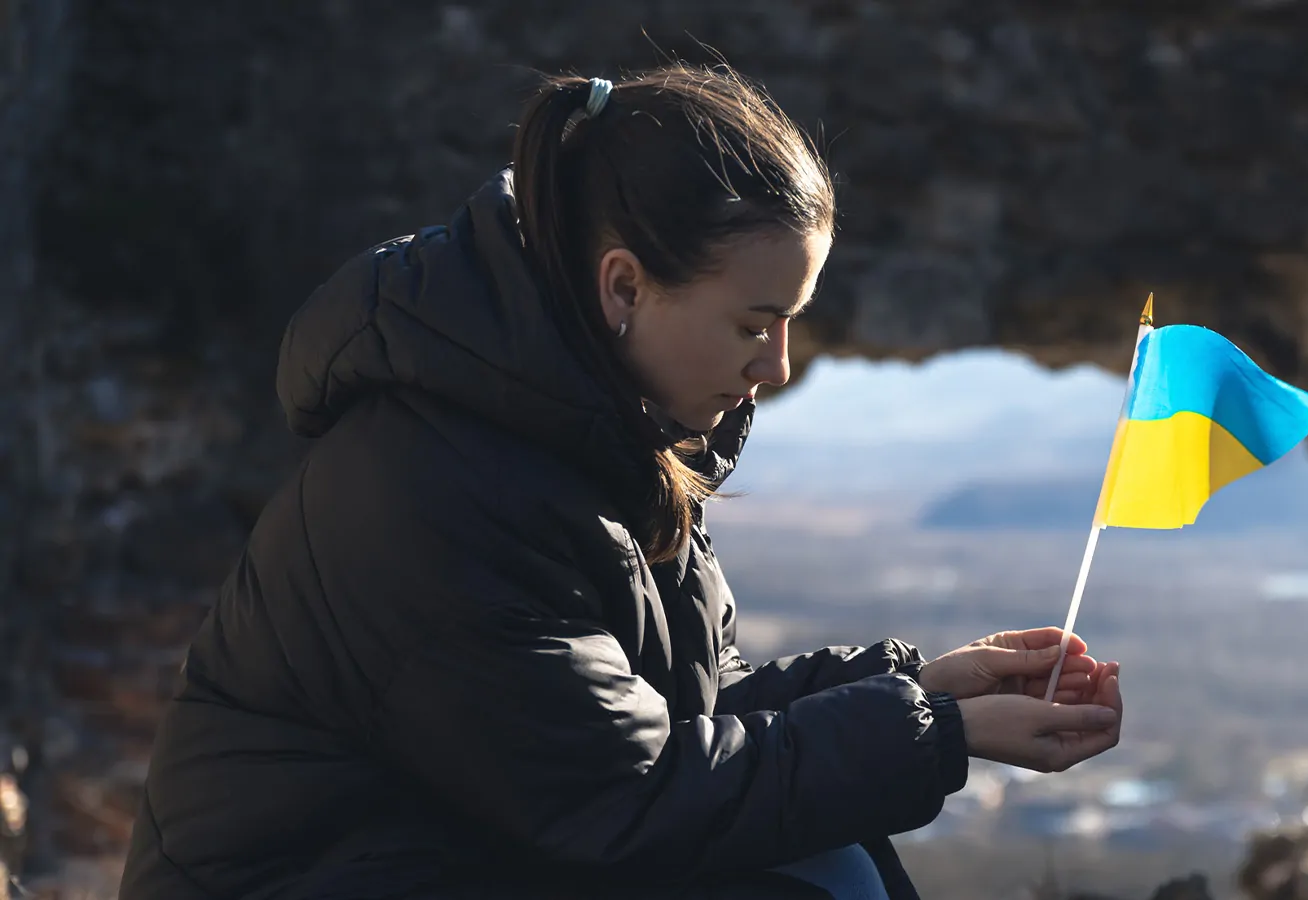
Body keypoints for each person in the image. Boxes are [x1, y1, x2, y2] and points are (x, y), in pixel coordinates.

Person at [118, 63, 1125, 900]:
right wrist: (933, 735)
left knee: (828, 861)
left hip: (466, 856)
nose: (775, 365)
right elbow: (622, 796)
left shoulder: (593, 437)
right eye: (751, 323)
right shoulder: (433, 484)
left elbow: (674, 710)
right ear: (622, 287)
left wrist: (919, 688)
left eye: (792, 321)